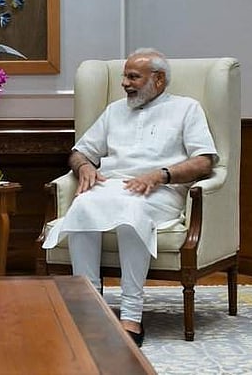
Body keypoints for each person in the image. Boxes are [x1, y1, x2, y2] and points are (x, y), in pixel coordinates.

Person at [42, 48, 217, 347]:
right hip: (112, 186)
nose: (124, 83)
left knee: (131, 213)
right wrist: (84, 166)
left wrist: (160, 174)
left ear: (158, 80)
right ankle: (89, 306)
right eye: (124, 76)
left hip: (159, 190)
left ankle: (131, 315)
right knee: (83, 204)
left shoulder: (187, 109)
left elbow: (204, 161)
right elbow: (80, 151)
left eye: (133, 77)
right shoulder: (114, 110)